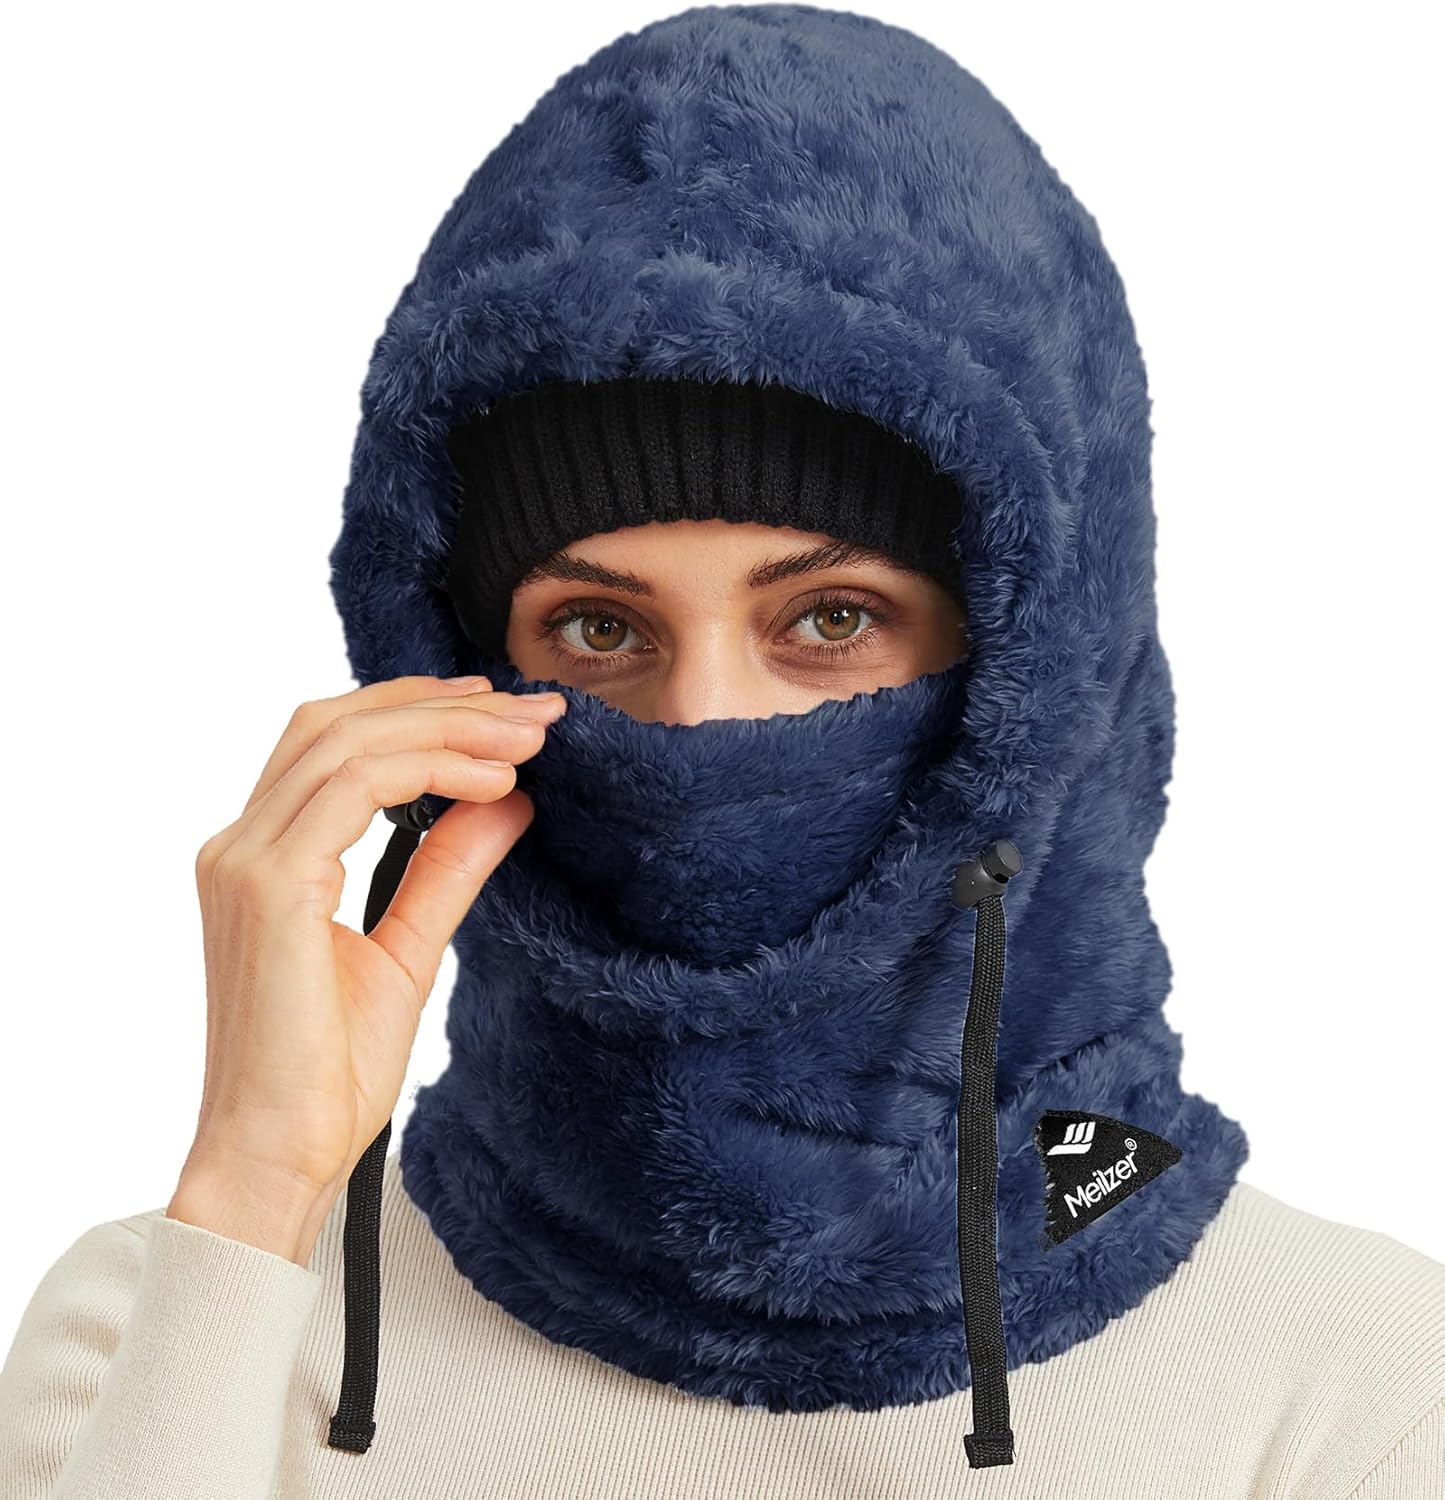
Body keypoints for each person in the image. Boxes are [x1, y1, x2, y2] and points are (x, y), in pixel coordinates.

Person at [2, 6, 1441, 1498]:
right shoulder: (175, 1324)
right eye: (599, 629)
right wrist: (256, 1179)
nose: (699, 724)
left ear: (1039, 669)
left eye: (830, 618)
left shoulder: (1359, 1391)